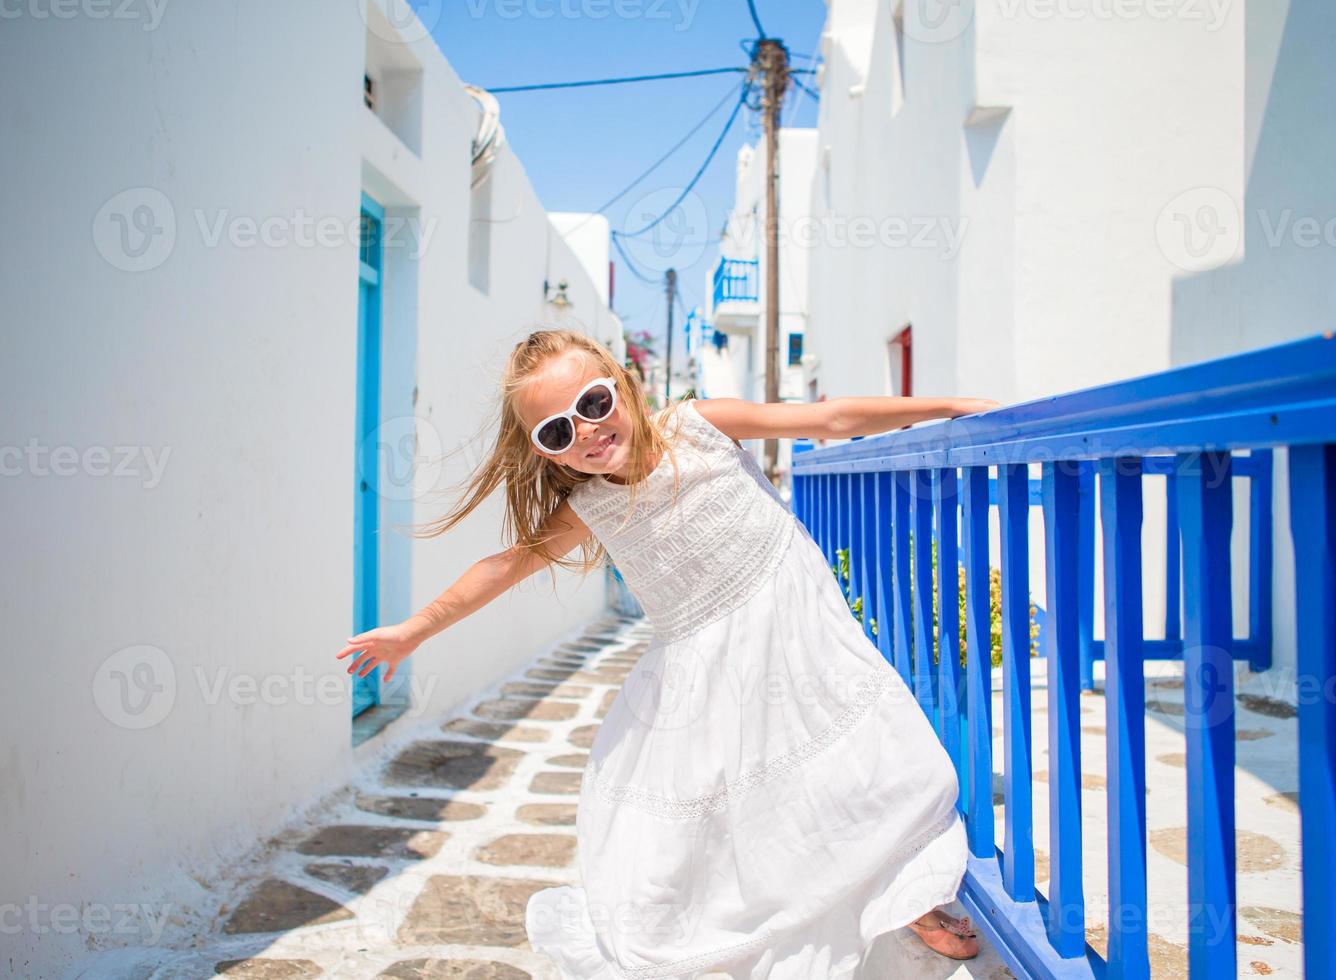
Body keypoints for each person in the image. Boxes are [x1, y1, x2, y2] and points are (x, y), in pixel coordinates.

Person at [336, 328, 1000, 979]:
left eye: (593, 403)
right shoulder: (588, 506)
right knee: (762, 813)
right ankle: (891, 905)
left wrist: (948, 406)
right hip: (707, 673)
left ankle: (907, 891)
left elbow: (826, 416)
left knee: (883, 771)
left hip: (794, 628)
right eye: (558, 432)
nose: (587, 431)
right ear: (551, 455)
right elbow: (504, 566)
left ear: (622, 385)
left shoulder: (698, 426)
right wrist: (415, 628)